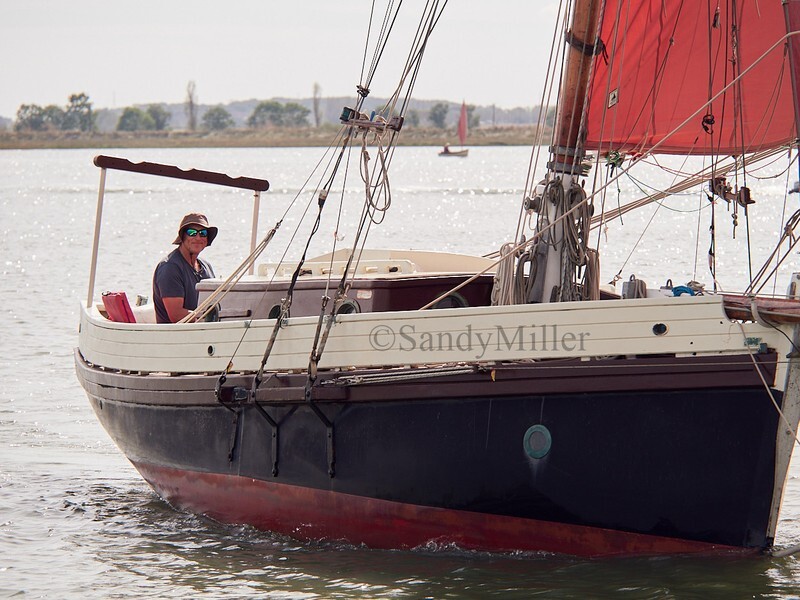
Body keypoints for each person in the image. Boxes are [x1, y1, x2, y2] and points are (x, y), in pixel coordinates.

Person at [153, 213, 217, 323]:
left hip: (205, 333)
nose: (198, 237)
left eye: (203, 233)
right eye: (192, 233)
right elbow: (176, 315)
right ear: (183, 236)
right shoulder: (169, 267)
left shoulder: (207, 266)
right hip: (177, 336)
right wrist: (210, 318)